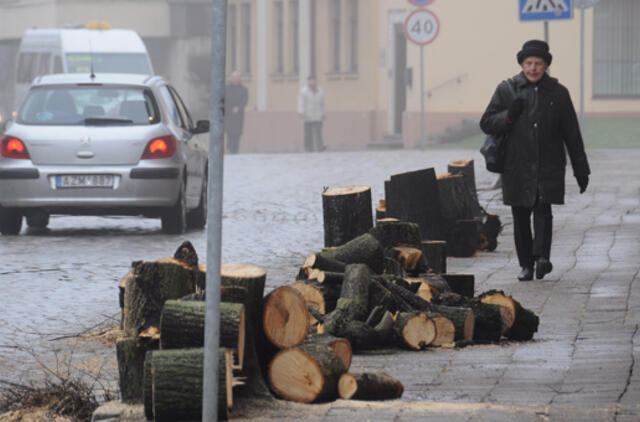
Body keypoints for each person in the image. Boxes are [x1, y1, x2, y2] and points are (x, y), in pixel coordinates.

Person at [480, 40, 591, 282]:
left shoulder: (558, 93)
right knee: (520, 215)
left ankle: (542, 258)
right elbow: (486, 122)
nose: (532, 68)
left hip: (548, 163)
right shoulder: (507, 90)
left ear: (546, 65)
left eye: (538, 63)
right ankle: (526, 265)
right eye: (528, 63)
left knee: (543, 210)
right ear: (521, 64)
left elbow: (572, 133)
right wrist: (509, 116)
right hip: (515, 164)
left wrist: (581, 170)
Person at [297, 75, 325, 152]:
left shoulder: (320, 91)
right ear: (308, 81)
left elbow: (322, 103)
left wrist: (323, 113)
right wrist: (301, 112)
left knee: (319, 132)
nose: (313, 82)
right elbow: (301, 102)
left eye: (314, 80)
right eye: (311, 81)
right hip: (308, 115)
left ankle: (320, 146)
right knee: (308, 134)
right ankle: (308, 148)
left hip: (318, 115)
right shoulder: (304, 91)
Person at [224, 71, 248, 154]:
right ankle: (230, 148)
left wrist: (238, 107)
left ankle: (235, 150)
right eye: (234, 78)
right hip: (229, 114)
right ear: (231, 79)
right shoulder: (226, 88)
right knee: (230, 133)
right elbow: (224, 100)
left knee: (237, 133)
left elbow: (244, 100)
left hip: (238, 115)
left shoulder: (244, 89)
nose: (236, 80)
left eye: (237, 78)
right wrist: (229, 108)